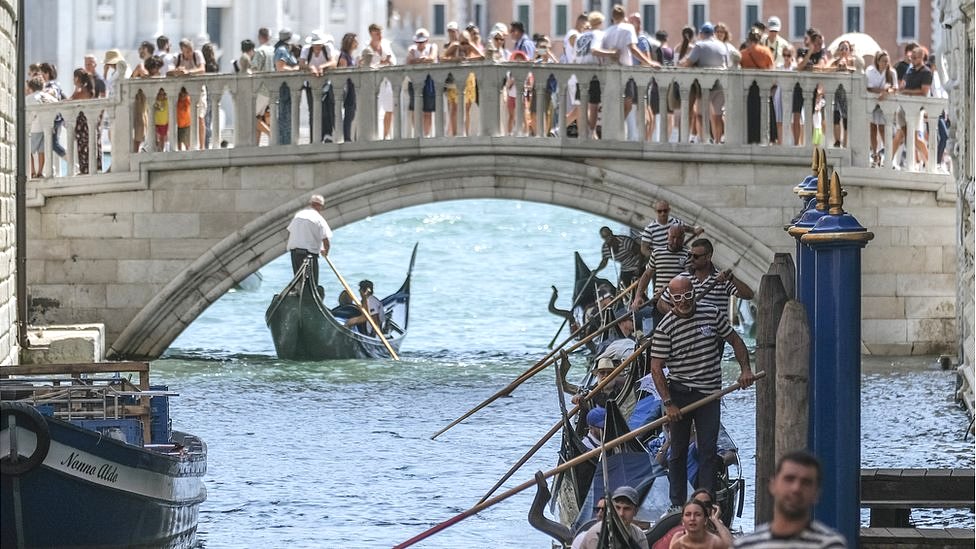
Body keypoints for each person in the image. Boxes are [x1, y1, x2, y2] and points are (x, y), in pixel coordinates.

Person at [650, 275, 755, 508]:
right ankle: (677, 504)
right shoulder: (665, 327)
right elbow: (656, 368)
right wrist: (668, 403)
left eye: (687, 296)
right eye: (678, 298)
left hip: (709, 394)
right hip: (679, 394)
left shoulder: (712, 313)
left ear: (694, 293)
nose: (684, 301)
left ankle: (704, 501)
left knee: (707, 448)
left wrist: (745, 370)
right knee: (676, 451)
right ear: (672, 299)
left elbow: (736, 341)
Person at [734, 451, 847, 548]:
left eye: (806, 482)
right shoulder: (745, 545)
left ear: (816, 493)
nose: (796, 488)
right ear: (773, 485)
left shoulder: (829, 545)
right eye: (789, 479)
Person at [658, 238, 753, 320]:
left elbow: (748, 295)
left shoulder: (723, 279)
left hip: (716, 335)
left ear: (708, 257)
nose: (691, 259)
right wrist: (679, 314)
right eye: (689, 255)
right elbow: (661, 303)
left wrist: (732, 278)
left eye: (695, 256)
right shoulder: (682, 278)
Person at [632, 225, 690, 330]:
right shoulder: (657, 253)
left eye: (679, 238)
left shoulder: (688, 255)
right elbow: (647, 275)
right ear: (667, 237)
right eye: (673, 237)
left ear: (683, 238)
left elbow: (688, 277)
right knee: (659, 332)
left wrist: (666, 289)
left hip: (679, 303)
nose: (675, 241)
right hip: (658, 302)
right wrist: (638, 297)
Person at [578, 486, 649, 549]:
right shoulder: (597, 535)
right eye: (617, 508)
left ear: (635, 511)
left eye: (627, 509)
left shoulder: (638, 535)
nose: (621, 514)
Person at [286, 194, 333, 287]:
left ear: (310, 204)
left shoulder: (298, 215)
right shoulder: (319, 219)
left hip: (295, 253)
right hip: (309, 255)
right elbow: (326, 241)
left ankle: (298, 290)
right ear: (320, 206)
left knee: (299, 281)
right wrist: (325, 252)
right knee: (311, 284)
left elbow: (290, 232)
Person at [866, 50, 898, 168]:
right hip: (872, 103)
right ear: (878, 61)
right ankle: (875, 155)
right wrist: (882, 91)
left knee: (883, 129)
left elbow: (895, 88)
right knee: (873, 129)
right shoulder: (870, 71)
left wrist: (886, 92)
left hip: (885, 105)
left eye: (887, 61)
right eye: (883, 61)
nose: (886, 63)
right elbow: (868, 87)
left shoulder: (891, 72)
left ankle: (888, 156)